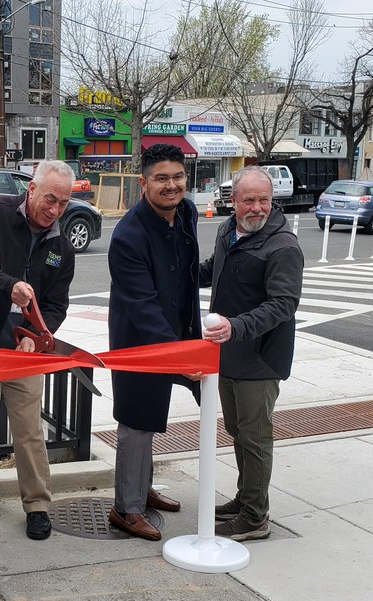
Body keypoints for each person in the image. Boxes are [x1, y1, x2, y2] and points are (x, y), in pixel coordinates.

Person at [0, 160, 77, 541]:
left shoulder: (62, 246)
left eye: (63, 203)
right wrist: (9, 285)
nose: (55, 210)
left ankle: (38, 504)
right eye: (50, 199)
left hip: (24, 351)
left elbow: (56, 305)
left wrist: (37, 336)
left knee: (29, 430)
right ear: (31, 190)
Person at [200, 166, 304, 542]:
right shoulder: (229, 230)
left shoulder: (282, 246)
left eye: (264, 200)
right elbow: (217, 270)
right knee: (237, 432)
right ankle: (246, 499)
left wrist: (236, 327)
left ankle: (255, 517)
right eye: (250, 200)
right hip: (228, 354)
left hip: (260, 359)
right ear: (234, 201)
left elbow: (283, 304)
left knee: (255, 437)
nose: (258, 208)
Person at [106, 143, 199, 541]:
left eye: (177, 177)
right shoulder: (128, 235)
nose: (172, 185)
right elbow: (142, 306)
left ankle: (142, 489)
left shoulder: (188, 213)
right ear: (144, 183)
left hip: (178, 332)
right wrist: (177, 354)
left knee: (154, 414)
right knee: (136, 421)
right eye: (161, 178)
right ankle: (125, 509)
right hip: (139, 342)